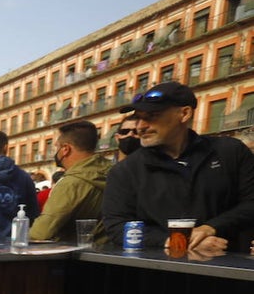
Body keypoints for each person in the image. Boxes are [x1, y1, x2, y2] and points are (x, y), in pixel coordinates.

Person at [103, 81, 254, 254]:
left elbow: (250, 204)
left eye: (152, 116)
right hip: (158, 273)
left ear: (184, 113)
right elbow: (117, 226)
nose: (141, 126)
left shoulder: (230, 152)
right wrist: (176, 240)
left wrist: (210, 228)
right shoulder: (125, 171)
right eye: (138, 117)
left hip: (230, 271)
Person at [29, 120, 113, 243]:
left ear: (65, 149)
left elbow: (40, 232)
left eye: (57, 147)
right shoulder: (114, 172)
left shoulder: (70, 184)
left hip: (77, 257)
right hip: (109, 253)